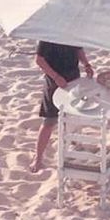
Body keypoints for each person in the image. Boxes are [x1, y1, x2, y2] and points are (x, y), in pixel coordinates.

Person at [29, 40, 94, 173]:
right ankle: (38, 158)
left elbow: (78, 49)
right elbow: (39, 60)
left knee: (71, 116)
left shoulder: (72, 31)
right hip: (54, 83)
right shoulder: (48, 34)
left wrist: (87, 64)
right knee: (49, 121)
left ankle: (74, 143)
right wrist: (56, 77)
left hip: (73, 79)